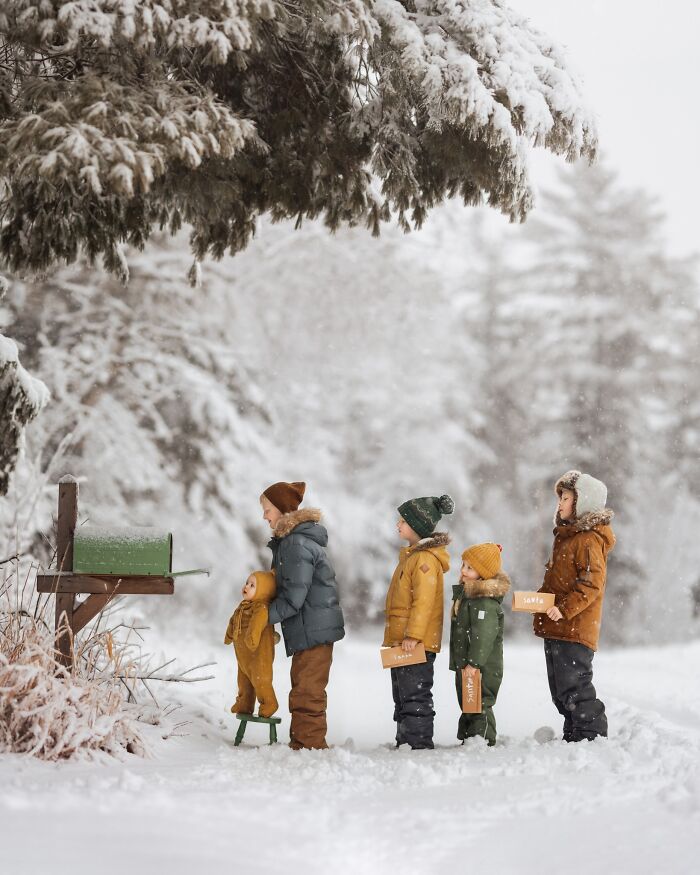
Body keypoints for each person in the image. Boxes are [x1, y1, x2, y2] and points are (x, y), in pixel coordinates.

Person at [260, 481, 344, 750]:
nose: (264, 516)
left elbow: (294, 597)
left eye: (267, 509)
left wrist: (264, 616)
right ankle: (303, 742)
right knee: (303, 688)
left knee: (307, 691)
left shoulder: (295, 544)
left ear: (282, 510)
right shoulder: (291, 542)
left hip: (313, 629)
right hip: (310, 628)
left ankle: (310, 746)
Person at [534, 470, 615, 742]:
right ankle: (574, 731)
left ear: (583, 502)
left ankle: (590, 733)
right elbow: (558, 582)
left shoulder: (589, 539)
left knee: (574, 685)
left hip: (576, 627)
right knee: (559, 688)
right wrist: (539, 601)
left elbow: (591, 584)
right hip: (558, 626)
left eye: (566, 497)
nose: (560, 503)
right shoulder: (567, 538)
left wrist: (565, 609)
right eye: (560, 498)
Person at [383, 494, 454, 749]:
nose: (398, 525)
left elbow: (423, 602)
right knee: (402, 695)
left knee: (414, 695)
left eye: (403, 521)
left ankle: (418, 744)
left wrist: (413, 635)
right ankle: (405, 741)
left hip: (415, 643)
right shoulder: (411, 557)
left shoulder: (423, 560)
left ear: (417, 526)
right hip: (403, 641)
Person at [449, 543, 510, 746]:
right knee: (468, 701)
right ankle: (470, 738)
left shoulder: (484, 603)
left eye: (470, 568)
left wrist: (474, 663)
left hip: (481, 666)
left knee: (479, 702)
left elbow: (483, 635)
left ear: (483, 574)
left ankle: (482, 739)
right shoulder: (468, 598)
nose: (463, 571)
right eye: (463, 565)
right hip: (467, 664)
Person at [224, 570, 279, 717]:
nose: (246, 586)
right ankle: (245, 703)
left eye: (252, 585)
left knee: (261, 679)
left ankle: (269, 703)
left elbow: (257, 624)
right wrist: (229, 635)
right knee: (244, 681)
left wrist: (252, 638)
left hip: (258, 654)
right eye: (247, 583)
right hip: (244, 655)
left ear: (263, 591)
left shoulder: (260, 607)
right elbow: (233, 621)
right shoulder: (242, 606)